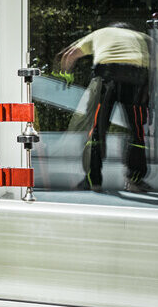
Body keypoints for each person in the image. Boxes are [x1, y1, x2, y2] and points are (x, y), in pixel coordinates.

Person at [57, 22, 152, 194]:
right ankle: (134, 180)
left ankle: (94, 181)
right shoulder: (142, 37)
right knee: (137, 131)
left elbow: (69, 55)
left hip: (106, 75)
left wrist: (66, 76)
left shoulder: (100, 33)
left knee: (97, 129)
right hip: (135, 78)